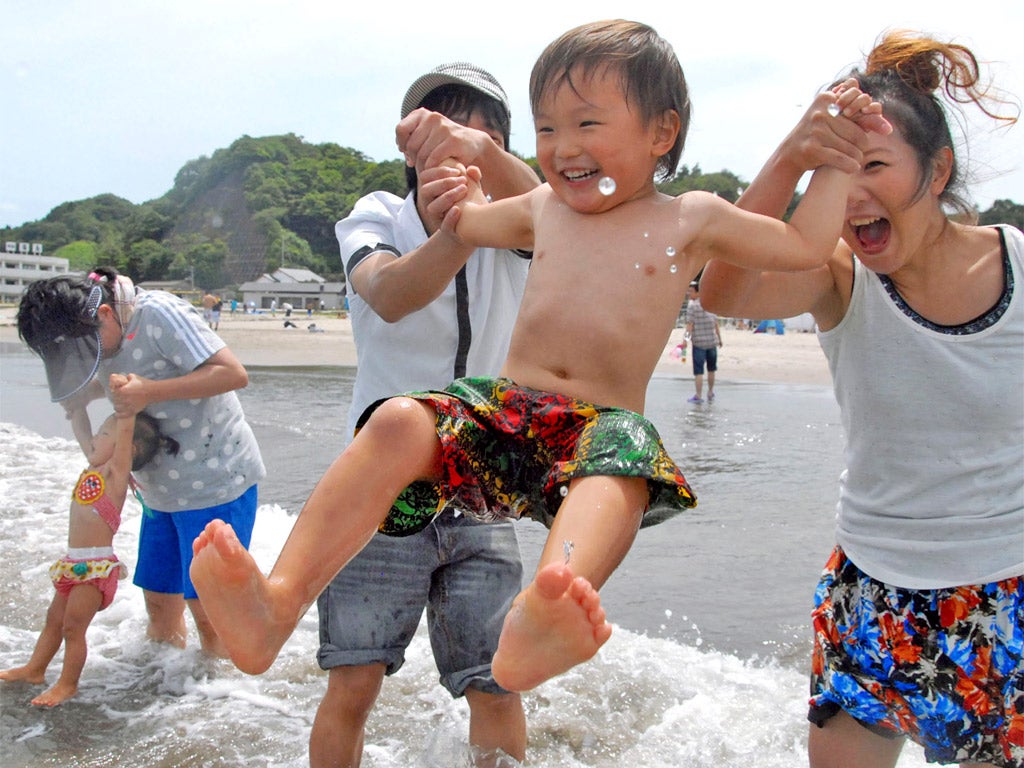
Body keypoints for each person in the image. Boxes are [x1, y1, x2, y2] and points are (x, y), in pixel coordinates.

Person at [189, 19, 886, 694]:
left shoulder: (691, 217)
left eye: (586, 123)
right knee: (401, 419)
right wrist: (450, 157)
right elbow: (464, 221)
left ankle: (539, 617)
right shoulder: (546, 207)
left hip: (594, 429)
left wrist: (838, 162)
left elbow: (797, 247)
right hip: (506, 414)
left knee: (622, 465)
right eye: (547, 128)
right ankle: (275, 607)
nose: (563, 146)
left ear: (661, 132)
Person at [699, 30, 1022, 768]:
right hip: (870, 589)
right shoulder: (840, 275)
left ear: (937, 171)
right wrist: (791, 156)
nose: (856, 195)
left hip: (1005, 595)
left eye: (874, 164)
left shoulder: (1017, 265)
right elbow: (722, 290)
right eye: (838, 175)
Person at [307, 62, 538, 768]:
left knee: (496, 683)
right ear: (411, 150)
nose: (459, 164)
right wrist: (454, 234)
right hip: (380, 493)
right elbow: (390, 292)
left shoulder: (520, 225)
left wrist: (482, 164)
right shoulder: (377, 215)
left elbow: (563, 208)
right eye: (442, 142)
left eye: (480, 147)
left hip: (480, 494)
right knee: (355, 677)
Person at [16, 268, 266, 656]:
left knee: (208, 608)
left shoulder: (160, 314)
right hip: (159, 487)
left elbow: (233, 373)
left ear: (103, 314)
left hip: (215, 479)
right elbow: (118, 371)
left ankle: (219, 694)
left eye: (87, 348)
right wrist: (88, 397)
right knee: (159, 598)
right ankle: (161, 687)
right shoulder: (96, 329)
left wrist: (150, 392)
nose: (83, 359)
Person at [0, 380, 179, 706]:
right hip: (72, 563)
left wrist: (125, 414)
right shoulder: (93, 467)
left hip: (94, 567)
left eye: (104, 435)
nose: (95, 439)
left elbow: (124, 437)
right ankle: (35, 669)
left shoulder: (115, 474)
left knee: (73, 628)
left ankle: (68, 684)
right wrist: (76, 409)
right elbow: (82, 432)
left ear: (128, 448)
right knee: (54, 621)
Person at [684, 280, 722, 403]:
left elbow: (690, 325)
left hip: (699, 343)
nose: (689, 293)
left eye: (691, 291)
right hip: (712, 342)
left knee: (699, 371)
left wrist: (685, 340)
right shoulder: (712, 304)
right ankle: (710, 392)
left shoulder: (692, 306)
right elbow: (716, 324)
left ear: (698, 292)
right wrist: (719, 339)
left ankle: (698, 395)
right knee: (711, 369)